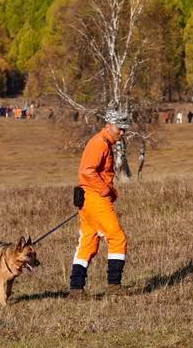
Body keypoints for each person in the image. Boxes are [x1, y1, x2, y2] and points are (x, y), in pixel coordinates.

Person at [69, 109, 130, 298]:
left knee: (89, 242)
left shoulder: (103, 142)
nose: (122, 132)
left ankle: (76, 288)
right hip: (95, 199)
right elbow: (87, 171)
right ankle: (114, 286)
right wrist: (105, 190)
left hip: (88, 199)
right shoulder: (100, 143)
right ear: (109, 125)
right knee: (117, 238)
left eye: (124, 130)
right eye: (119, 128)